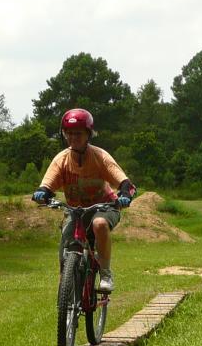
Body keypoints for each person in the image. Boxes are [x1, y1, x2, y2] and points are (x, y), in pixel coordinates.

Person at [31, 108, 136, 293]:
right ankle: (66, 290)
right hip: (75, 211)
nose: (73, 138)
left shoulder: (99, 157)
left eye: (78, 133)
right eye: (69, 133)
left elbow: (123, 181)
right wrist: (42, 193)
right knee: (66, 245)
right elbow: (47, 184)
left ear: (88, 134)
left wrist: (126, 193)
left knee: (100, 224)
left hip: (104, 206)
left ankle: (105, 274)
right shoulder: (61, 160)